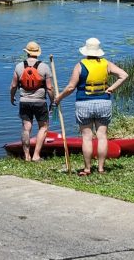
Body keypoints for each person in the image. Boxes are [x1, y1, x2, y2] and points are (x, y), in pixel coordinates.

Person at [53, 38, 128, 176]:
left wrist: (59, 98)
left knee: (87, 137)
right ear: (98, 51)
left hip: (84, 104)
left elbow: (70, 87)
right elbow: (123, 75)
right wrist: (111, 89)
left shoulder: (80, 65)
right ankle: (100, 168)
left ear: (86, 51)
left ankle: (87, 169)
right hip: (103, 103)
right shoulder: (106, 64)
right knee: (102, 136)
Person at [9, 41, 54, 161]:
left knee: (26, 127)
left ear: (27, 52)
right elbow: (49, 88)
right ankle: (36, 155)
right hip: (40, 101)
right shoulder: (44, 67)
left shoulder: (19, 66)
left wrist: (12, 96)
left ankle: (27, 156)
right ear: (37, 53)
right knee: (43, 127)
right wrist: (53, 102)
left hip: (24, 101)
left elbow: (13, 85)